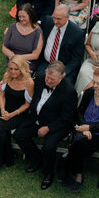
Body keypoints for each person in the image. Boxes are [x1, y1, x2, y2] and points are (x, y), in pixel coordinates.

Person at [14, 60, 77, 190]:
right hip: (36, 119)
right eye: (47, 76)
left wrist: (48, 128)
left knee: (49, 147)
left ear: (61, 78)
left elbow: (67, 118)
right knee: (19, 135)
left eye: (52, 79)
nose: (48, 81)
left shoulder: (69, 92)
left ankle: (48, 174)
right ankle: (37, 159)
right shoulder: (41, 78)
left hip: (56, 124)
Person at [36, 4, 85, 84]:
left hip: (64, 68)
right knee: (38, 81)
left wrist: (63, 72)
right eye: (54, 17)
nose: (55, 21)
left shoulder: (77, 33)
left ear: (67, 17)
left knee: (64, 87)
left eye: (59, 19)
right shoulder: (47, 21)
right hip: (46, 63)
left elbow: (76, 58)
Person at [2, 3, 44, 73]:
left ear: (30, 15)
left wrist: (18, 58)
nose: (21, 19)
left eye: (23, 17)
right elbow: (4, 47)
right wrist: (12, 56)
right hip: (12, 60)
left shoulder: (37, 31)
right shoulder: (13, 27)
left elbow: (35, 55)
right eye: (19, 16)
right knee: (12, 73)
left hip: (27, 62)